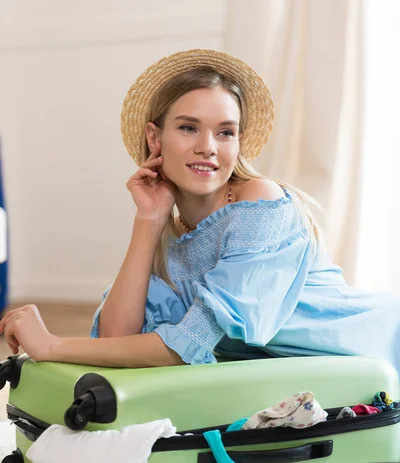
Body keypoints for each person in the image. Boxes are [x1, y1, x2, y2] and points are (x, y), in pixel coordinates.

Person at [1, 48, 400, 375]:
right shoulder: (174, 237)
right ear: (154, 138)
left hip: (376, 349)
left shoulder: (260, 202)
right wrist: (149, 220)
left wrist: (51, 346)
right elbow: (116, 339)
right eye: (189, 127)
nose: (208, 146)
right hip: (306, 383)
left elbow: (187, 345)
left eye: (225, 131)